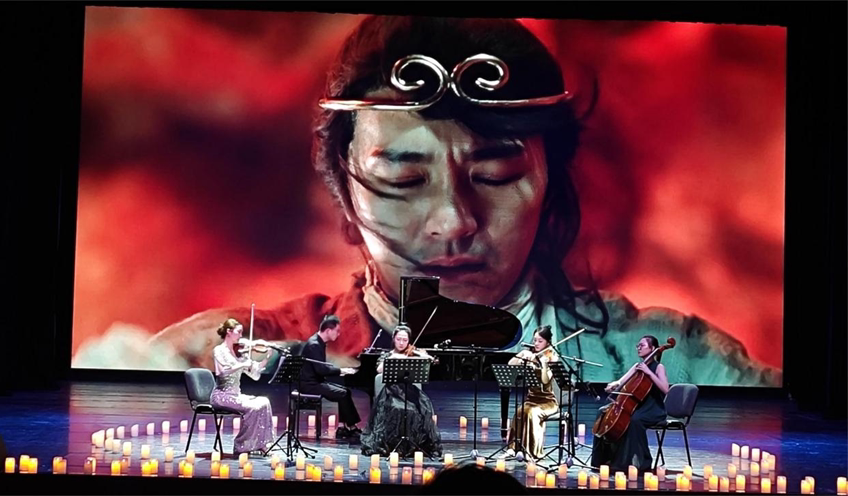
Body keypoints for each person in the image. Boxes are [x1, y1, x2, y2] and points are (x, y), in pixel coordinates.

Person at [147, 15, 780, 388]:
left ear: (552, 179)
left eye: (496, 173)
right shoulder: (228, 357)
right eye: (403, 179)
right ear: (344, 185)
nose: (454, 220)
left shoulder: (680, 365)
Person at [360, 325, 442, 457]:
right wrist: (393, 358)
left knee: (416, 410)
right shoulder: (388, 354)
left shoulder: (413, 353)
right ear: (394, 339)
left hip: (410, 392)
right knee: (397, 409)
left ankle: (411, 444)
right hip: (391, 392)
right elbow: (379, 370)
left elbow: (432, 362)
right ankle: (393, 444)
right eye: (399, 339)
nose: (402, 343)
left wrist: (424, 357)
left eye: (405, 340)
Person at [590, 335, 669, 472]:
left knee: (634, 420)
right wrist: (614, 385)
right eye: (637, 345)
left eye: (642, 345)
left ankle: (639, 462)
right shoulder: (637, 366)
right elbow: (622, 381)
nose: (638, 348)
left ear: (653, 348)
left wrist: (649, 373)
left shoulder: (658, 367)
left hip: (653, 409)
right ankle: (602, 460)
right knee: (602, 411)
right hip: (636, 406)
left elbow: (665, 389)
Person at [210, 318, 275, 455]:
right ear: (229, 332)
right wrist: (242, 364)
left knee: (264, 402)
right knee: (253, 407)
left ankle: (261, 444)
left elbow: (255, 375)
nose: (241, 335)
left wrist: (267, 357)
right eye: (238, 332)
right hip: (222, 396)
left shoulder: (239, 353)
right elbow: (222, 372)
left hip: (236, 395)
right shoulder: (219, 350)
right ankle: (241, 445)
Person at [298, 314, 361, 440]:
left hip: (315, 382)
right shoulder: (314, 345)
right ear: (328, 330)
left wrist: (340, 371)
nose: (338, 334)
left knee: (345, 392)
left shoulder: (318, 342)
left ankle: (344, 427)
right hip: (309, 385)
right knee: (343, 393)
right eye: (337, 331)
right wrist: (341, 371)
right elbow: (321, 370)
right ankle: (351, 427)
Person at [504, 326, 559, 462]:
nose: (536, 344)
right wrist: (521, 357)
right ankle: (512, 448)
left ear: (547, 342)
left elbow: (545, 380)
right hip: (531, 399)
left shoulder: (552, 357)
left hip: (547, 402)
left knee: (531, 413)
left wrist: (545, 364)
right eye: (535, 340)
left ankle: (531, 452)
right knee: (519, 412)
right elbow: (510, 364)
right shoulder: (530, 354)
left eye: (540, 341)